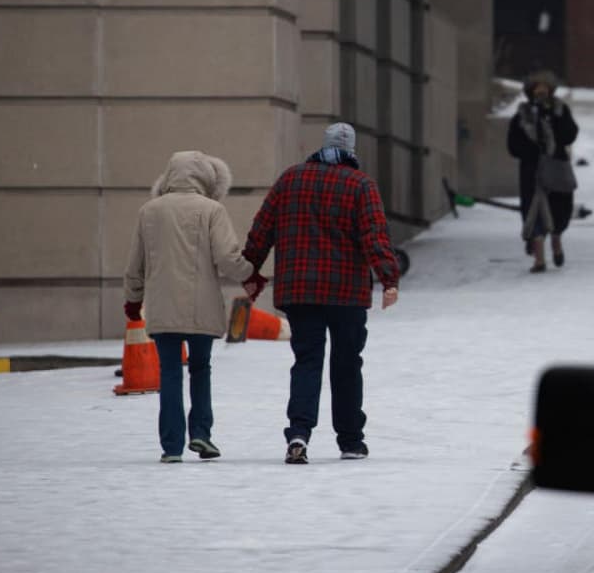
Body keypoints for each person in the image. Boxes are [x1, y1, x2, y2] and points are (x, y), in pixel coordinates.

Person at [242, 123, 400, 464]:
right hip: (347, 292)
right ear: (351, 151)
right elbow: (374, 235)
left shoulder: (290, 179)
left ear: (322, 146)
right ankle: (351, 441)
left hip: (299, 290)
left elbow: (262, 229)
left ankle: (299, 433)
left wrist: (250, 271)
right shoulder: (361, 185)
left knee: (307, 361)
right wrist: (389, 278)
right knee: (347, 364)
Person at [124, 151, 259, 463]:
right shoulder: (212, 210)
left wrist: (133, 299)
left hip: (163, 307)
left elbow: (135, 264)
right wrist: (250, 275)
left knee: (170, 372)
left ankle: (172, 447)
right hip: (203, 307)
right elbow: (227, 258)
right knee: (200, 369)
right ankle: (201, 434)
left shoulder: (149, 211)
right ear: (206, 178)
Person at [508, 70, 580, 273]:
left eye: (545, 87)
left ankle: (556, 241)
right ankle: (539, 259)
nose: (541, 91)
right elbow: (513, 146)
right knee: (533, 212)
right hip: (532, 172)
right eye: (537, 88)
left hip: (557, 168)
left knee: (560, 210)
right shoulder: (522, 116)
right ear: (530, 91)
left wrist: (555, 119)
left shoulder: (560, 110)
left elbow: (570, 135)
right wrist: (532, 151)